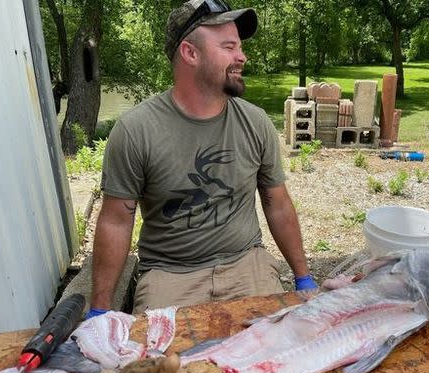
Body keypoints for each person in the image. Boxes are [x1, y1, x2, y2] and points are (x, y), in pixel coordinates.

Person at [86, 0, 317, 319]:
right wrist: (99, 309)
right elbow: (115, 220)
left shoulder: (256, 122)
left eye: (240, 47)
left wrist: (304, 278)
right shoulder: (136, 130)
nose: (242, 56)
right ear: (190, 53)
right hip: (170, 275)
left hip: (247, 264)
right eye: (229, 46)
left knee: (277, 357)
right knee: (163, 368)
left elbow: (277, 203)